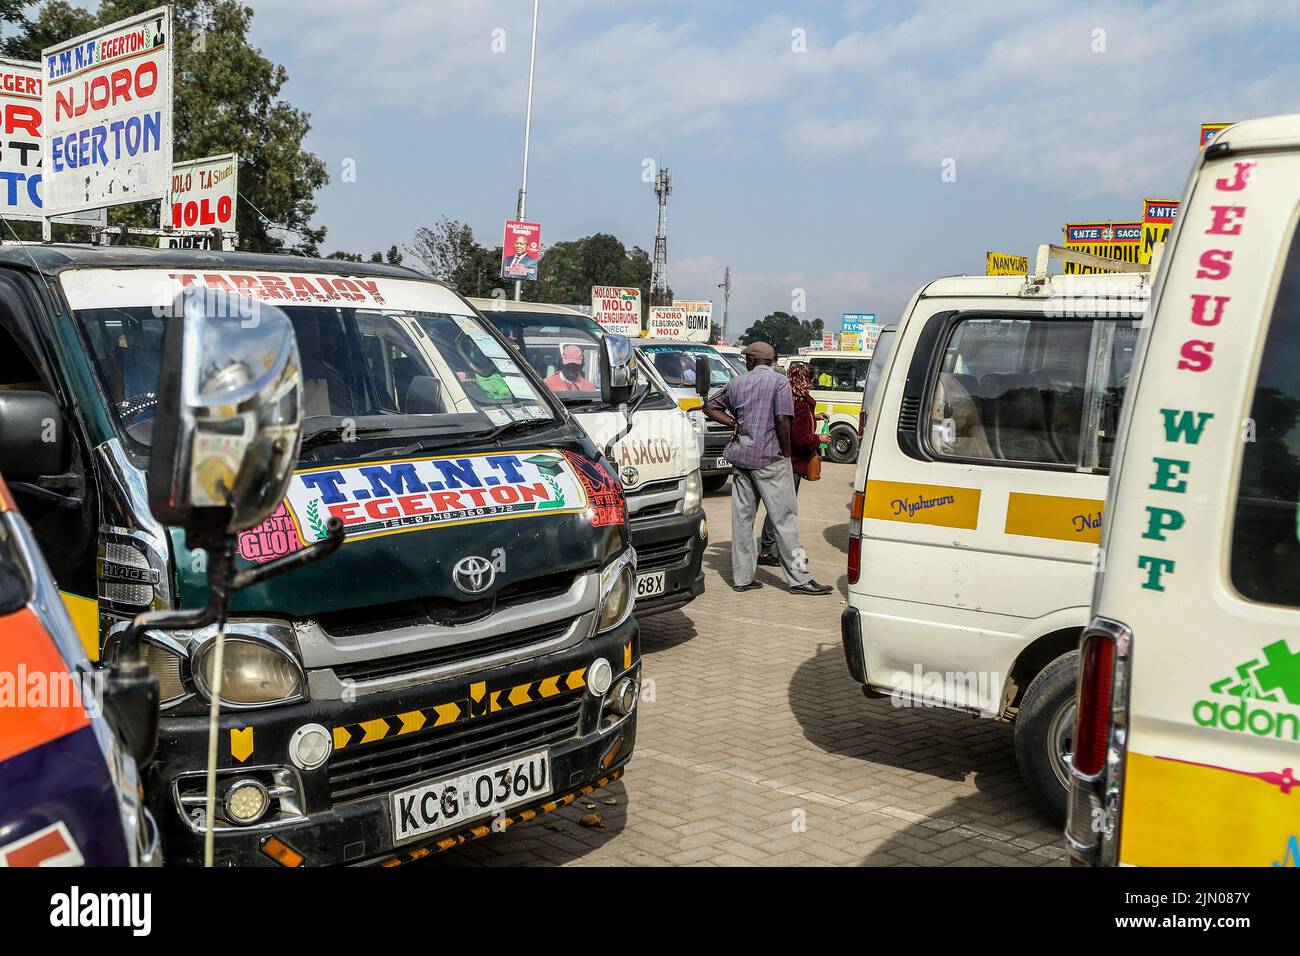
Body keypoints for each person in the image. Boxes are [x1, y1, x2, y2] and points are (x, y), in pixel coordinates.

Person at [703, 341, 833, 595]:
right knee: (785, 521)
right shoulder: (779, 382)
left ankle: (742, 578)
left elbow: (709, 406)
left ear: (750, 361)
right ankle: (799, 578)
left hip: (742, 460)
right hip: (771, 460)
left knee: (742, 522)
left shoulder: (736, 383)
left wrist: (734, 423)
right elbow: (783, 419)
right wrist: (785, 454)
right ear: (770, 362)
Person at [757, 362, 827, 564]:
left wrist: (815, 417)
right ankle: (770, 551)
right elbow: (799, 438)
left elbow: (794, 424)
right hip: (792, 465)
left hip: (784, 462)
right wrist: (818, 439)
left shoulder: (789, 399)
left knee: (779, 508)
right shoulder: (802, 404)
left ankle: (770, 548)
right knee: (783, 510)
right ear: (805, 380)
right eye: (810, 379)